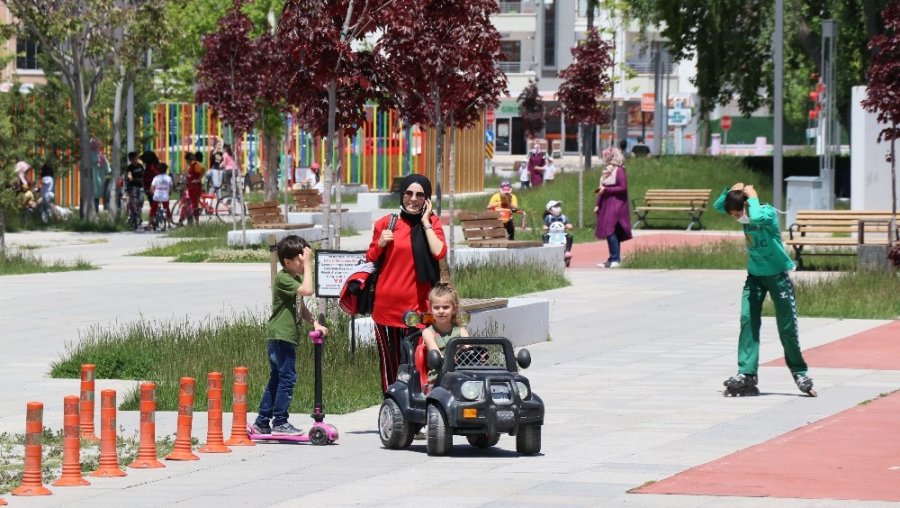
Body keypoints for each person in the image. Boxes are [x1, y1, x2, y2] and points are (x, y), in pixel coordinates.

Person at [714, 182, 815, 397]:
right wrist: (731, 190)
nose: (737, 218)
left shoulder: (765, 213)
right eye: (733, 215)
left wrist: (753, 196)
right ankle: (747, 373)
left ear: (749, 205)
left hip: (777, 277)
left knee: (786, 326)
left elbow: (757, 217)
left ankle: (799, 372)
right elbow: (717, 206)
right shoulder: (745, 212)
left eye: (738, 213)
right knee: (747, 320)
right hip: (755, 277)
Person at [366, 174, 447, 393]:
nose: (413, 198)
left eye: (420, 195)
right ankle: (392, 412)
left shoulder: (433, 223)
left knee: (418, 363)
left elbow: (439, 252)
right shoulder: (387, 223)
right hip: (386, 310)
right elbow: (371, 257)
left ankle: (418, 409)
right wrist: (381, 242)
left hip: (419, 309)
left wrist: (425, 222)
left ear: (427, 199)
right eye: (408, 193)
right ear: (402, 195)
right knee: (390, 366)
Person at [249, 235, 328, 436]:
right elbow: (308, 291)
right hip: (281, 337)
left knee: (277, 379)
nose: (303, 264)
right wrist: (309, 264)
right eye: (300, 260)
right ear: (287, 262)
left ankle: (262, 421)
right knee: (288, 378)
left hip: (284, 338)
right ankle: (280, 421)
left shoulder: (293, 279)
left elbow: (301, 307)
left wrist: (314, 322)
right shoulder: (284, 278)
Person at [422, 283, 470, 381]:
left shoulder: (461, 331)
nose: (441, 311)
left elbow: (469, 353)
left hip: (461, 374)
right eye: (436, 307)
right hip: (439, 377)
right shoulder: (428, 333)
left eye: (445, 307)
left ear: (454, 309)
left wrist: (477, 356)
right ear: (430, 309)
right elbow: (437, 359)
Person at [593, 147, 632, 268]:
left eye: (607, 156)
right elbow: (602, 188)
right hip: (607, 202)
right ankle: (612, 259)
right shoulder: (608, 170)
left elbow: (623, 188)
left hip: (616, 204)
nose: (605, 158)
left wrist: (607, 189)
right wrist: (598, 204)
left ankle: (615, 259)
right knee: (610, 230)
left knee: (610, 229)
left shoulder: (619, 170)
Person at [542, 199, 573, 263]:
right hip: (551, 234)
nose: (558, 208)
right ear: (550, 210)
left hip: (562, 234)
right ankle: (547, 249)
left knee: (569, 236)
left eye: (558, 206)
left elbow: (569, 224)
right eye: (555, 206)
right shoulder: (548, 217)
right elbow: (544, 226)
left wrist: (568, 226)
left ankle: (567, 251)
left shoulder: (563, 217)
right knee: (545, 236)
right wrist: (546, 227)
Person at [125, 152, 144, 230]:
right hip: (133, 187)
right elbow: (129, 174)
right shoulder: (130, 167)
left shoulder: (140, 166)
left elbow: (143, 173)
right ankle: (136, 218)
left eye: (136, 158)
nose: (135, 160)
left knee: (141, 201)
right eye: (133, 159)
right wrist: (130, 177)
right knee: (135, 202)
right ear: (130, 160)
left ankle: (138, 216)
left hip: (141, 186)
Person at [185, 151, 205, 224]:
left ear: (189, 160)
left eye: (186, 161)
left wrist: (198, 179)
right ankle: (192, 220)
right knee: (192, 204)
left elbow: (203, 170)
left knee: (194, 204)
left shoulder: (195, 165)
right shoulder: (191, 166)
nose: (186, 162)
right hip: (191, 187)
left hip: (195, 187)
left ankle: (196, 222)